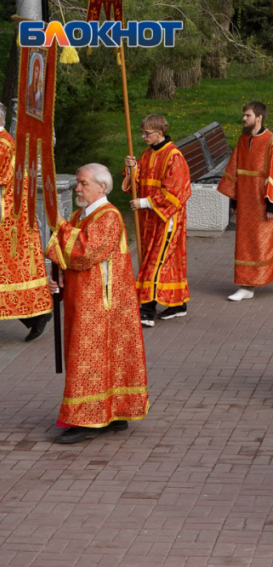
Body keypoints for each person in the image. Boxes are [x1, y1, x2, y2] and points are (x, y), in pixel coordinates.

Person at [45, 164, 148, 444]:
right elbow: (71, 258)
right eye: (78, 183)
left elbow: (86, 251)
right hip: (85, 300)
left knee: (88, 359)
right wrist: (60, 277)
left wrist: (59, 225)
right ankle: (112, 413)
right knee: (97, 359)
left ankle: (89, 420)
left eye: (83, 183)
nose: (77, 188)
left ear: (101, 187)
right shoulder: (82, 214)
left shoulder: (109, 216)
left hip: (102, 305)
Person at [123, 114, 191, 327]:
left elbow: (176, 191)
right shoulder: (145, 155)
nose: (143, 136)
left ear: (160, 133)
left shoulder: (174, 157)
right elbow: (137, 182)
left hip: (166, 218)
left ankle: (147, 310)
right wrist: (132, 169)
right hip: (149, 220)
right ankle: (177, 305)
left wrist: (144, 203)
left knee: (155, 261)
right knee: (164, 261)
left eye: (147, 133)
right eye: (142, 132)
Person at [216, 102, 273, 301]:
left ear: (259, 118)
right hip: (245, 200)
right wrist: (234, 200)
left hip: (263, 200)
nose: (244, 119)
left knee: (265, 243)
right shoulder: (243, 139)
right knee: (245, 244)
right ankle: (246, 286)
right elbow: (234, 169)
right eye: (244, 115)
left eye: (248, 115)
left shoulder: (272, 141)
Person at [0, 102, 52, 340]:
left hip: (7, 218)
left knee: (9, 272)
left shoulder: (2, 144)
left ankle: (36, 315)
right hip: (10, 216)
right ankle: (34, 316)